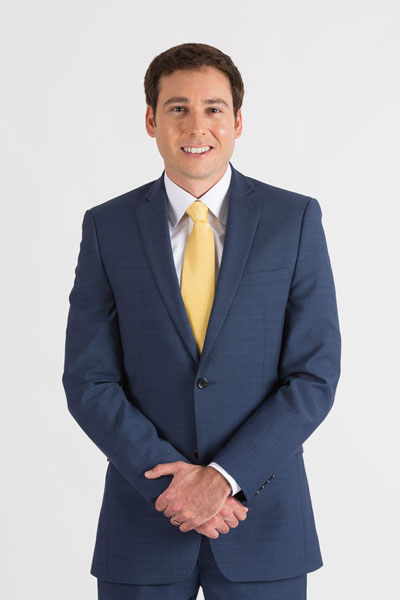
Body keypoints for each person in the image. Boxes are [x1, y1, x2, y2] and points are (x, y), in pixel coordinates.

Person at [62, 42, 341, 600]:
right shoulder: (107, 228)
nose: (196, 126)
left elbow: (314, 376)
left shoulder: (294, 220)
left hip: (262, 523)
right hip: (144, 523)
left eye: (214, 108)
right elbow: (89, 380)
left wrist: (225, 478)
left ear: (237, 121)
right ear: (151, 120)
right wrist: (175, 485)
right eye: (178, 108)